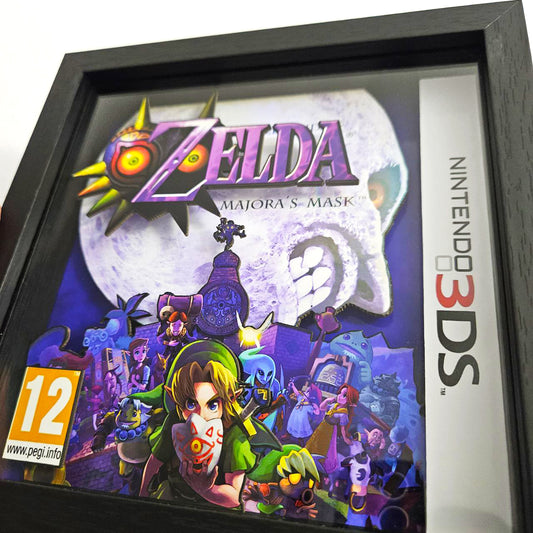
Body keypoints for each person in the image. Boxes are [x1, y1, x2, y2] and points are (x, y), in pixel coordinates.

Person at [132, 339, 280, 508]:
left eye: (212, 405)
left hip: (214, 509)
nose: (200, 415)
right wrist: (142, 496)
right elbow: (155, 461)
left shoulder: (234, 435)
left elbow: (233, 497)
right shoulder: (175, 420)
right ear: (175, 398)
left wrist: (206, 490)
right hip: (173, 497)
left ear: (230, 399)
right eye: (191, 404)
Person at [305, 383, 359, 473]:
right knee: (314, 441)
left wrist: (345, 438)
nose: (340, 396)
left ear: (350, 401)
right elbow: (321, 408)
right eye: (340, 393)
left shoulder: (343, 414)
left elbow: (342, 428)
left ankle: (317, 463)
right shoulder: (334, 405)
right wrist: (327, 401)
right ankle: (308, 457)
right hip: (322, 427)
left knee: (323, 447)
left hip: (329, 431)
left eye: (344, 395)